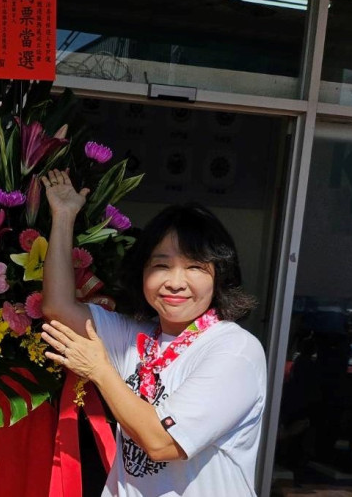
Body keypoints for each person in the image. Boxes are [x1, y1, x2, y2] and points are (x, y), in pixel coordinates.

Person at [39, 168, 267, 497]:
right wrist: (63, 217)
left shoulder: (234, 351)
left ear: (220, 276)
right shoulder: (138, 335)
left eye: (194, 267)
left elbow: (162, 443)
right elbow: (58, 307)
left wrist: (101, 370)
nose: (175, 282)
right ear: (142, 272)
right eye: (161, 265)